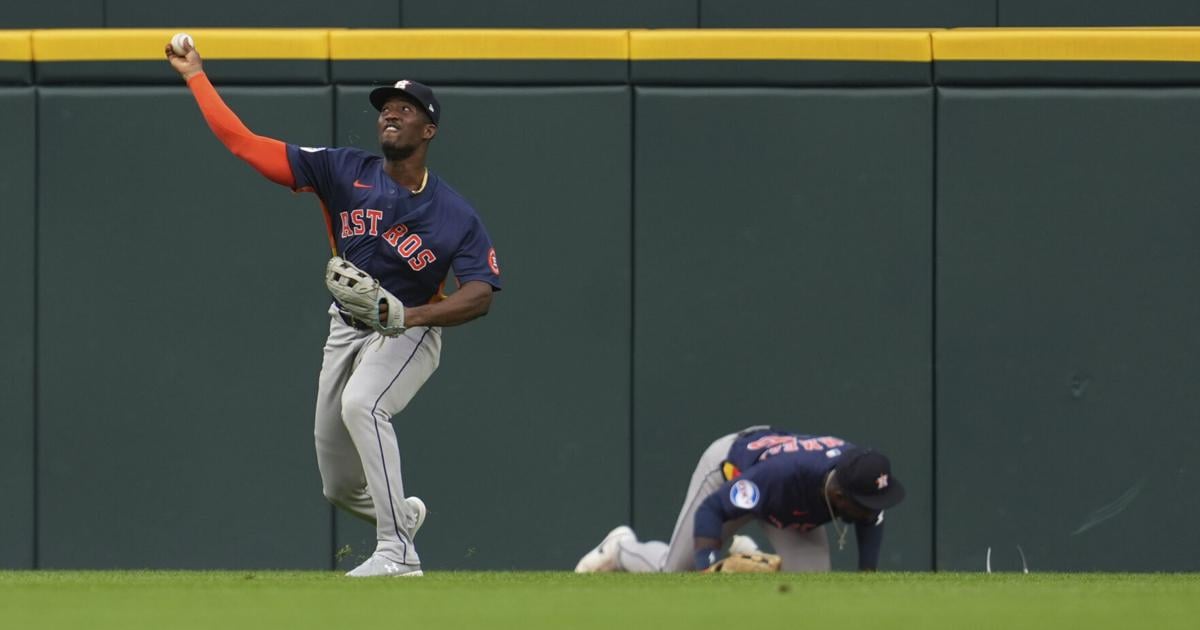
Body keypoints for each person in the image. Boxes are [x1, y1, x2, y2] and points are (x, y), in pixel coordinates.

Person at [166, 39, 502, 577]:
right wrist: (195, 77)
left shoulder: (453, 213)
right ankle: (402, 519)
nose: (390, 111)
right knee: (339, 485)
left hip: (409, 330)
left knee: (363, 404)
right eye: (386, 107)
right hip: (344, 330)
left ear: (428, 131)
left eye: (406, 108)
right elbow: (245, 145)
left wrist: (410, 317)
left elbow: (480, 292)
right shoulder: (342, 170)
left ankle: (398, 554)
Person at [575, 426, 905, 573]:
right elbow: (714, 508)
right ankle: (621, 549)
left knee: (811, 587)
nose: (869, 509)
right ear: (838, 494)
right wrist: (707, 568)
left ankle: (749, 559)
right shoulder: (780, 478)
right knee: (675, 575)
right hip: (730, 472)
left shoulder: (855, 474)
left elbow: (871, 513)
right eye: (861, 503)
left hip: (790, 503)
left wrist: (868, 575)